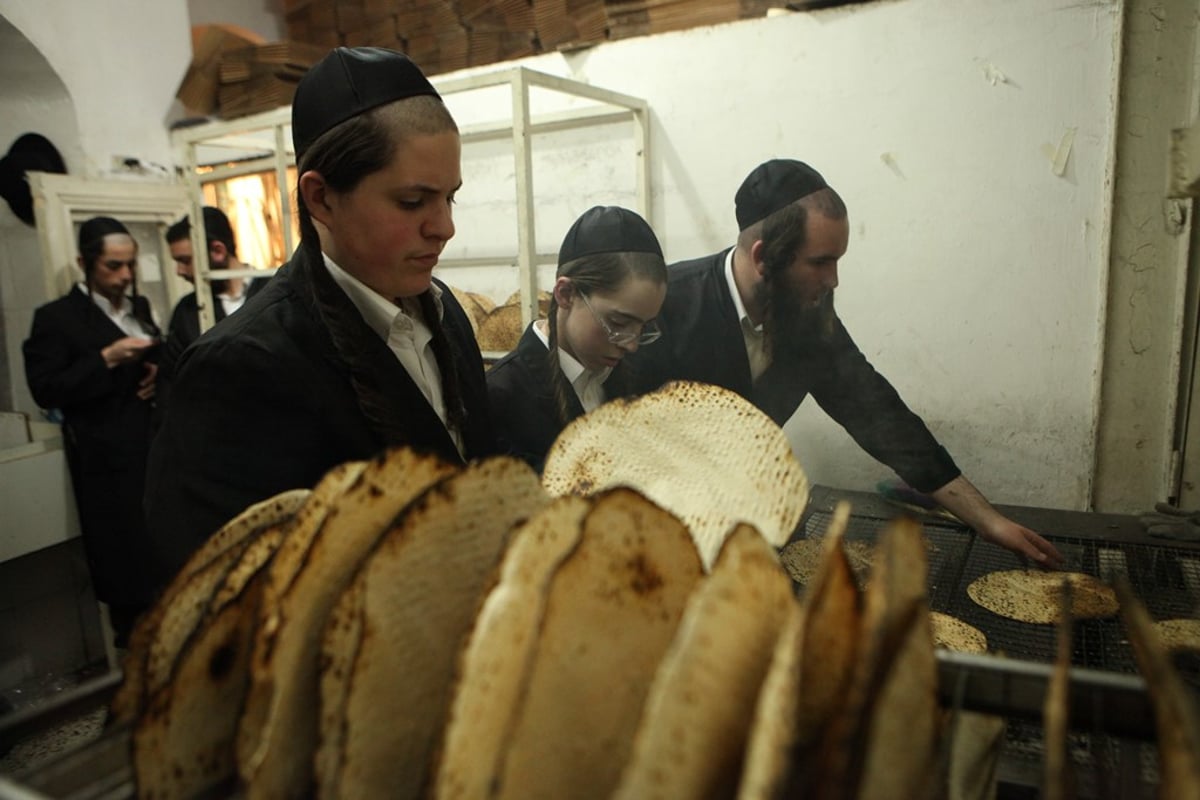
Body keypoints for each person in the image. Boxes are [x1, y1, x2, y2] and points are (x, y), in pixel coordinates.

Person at [145, 47, 495, 588]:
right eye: (412, 201)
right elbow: (222, 604)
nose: (444, 227)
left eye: (450, 197)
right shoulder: (242, 369)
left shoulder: (445, 315)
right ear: (322, 198)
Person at [625, 159, 1064, 568]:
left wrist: (987, 520)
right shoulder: (667, 309)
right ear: (763, 258)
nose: (833, 280)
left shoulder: (806, 319)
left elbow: (879, 414)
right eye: (820, 262)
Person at [23, 216, 162, 645]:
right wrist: (105, 358)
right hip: (107, 474)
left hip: (154, 458)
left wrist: (159, 371)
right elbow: (45, 389)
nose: (125, 276)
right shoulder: (56, 319)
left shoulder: (138, 309)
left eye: (130, 266)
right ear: (85, 263)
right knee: (130, 583)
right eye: (113, 267)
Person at [487, 206, 667, 470]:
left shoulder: (639, 376)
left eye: (644, 326)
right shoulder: (502, 398)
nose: (631, 344)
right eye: (618, 322)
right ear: (566, 293)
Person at [158, 206, 266, 413]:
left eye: (185, 261)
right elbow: (171, 382)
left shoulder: (276, 292)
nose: (179, 271)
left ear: (218, 251)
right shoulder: (187, 311)